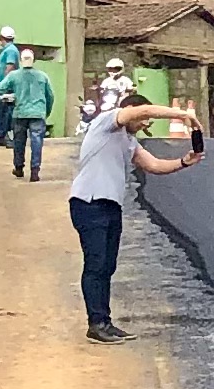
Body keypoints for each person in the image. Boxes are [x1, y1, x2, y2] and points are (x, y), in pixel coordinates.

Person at [65, 77, 200, 340]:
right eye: (143, 119)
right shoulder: (106, 123)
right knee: (95, 264)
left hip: (111, 206)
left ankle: (104, 321)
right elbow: (142, 111)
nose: (147, 124)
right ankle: (96, 323)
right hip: (89, 202)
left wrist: (185, 161)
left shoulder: (129, 142)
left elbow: (154, 166)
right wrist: (181, 114)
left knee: (107, 265)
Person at [9, 54, 56, 179]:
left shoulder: (14, 75)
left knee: (19, 141)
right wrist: (46, 112)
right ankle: (35, 172)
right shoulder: (43, 76)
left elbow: (0, 88)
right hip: (38, 112)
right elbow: (50, 96)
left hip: (20, 112)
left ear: (20, 60)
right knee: (37, 142)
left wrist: (11, 97)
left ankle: (19, 168)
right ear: (34, 60)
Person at [0, 29, 22, 149]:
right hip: (2, 87)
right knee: (1, 112)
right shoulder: (9, 50)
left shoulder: (10, 51)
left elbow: (10, 68)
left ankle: (6, 137)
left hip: (5, 89)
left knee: (6, 113)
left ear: (1, 37)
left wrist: (5, 85)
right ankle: (0, 137)